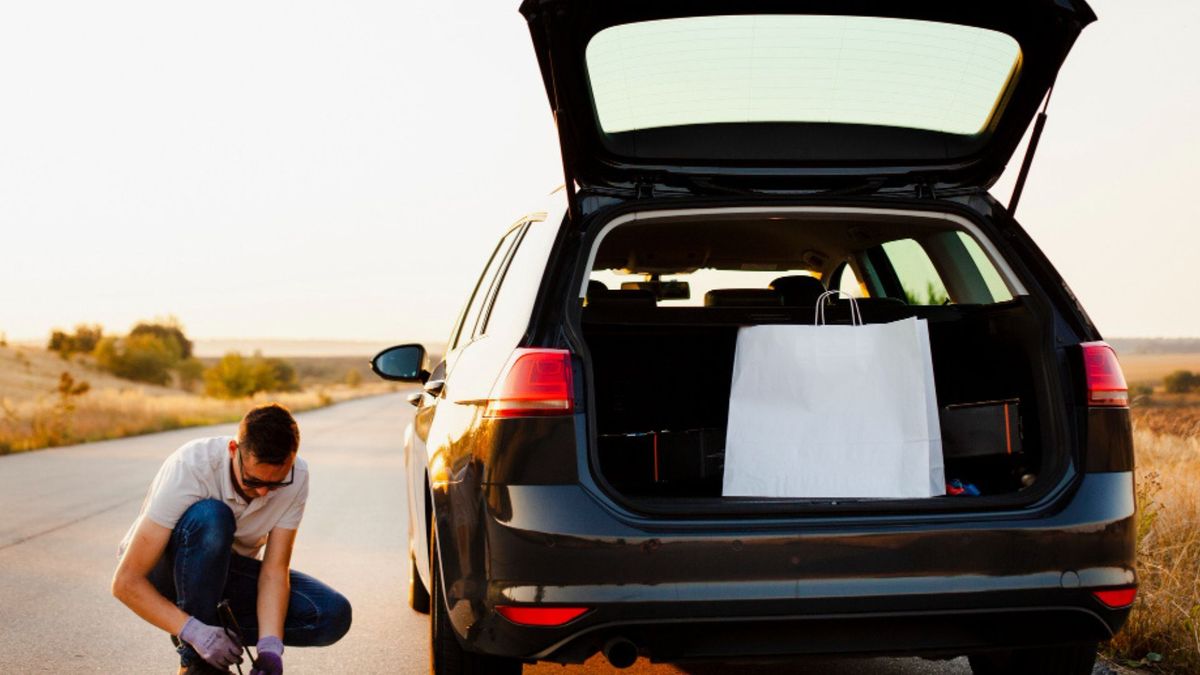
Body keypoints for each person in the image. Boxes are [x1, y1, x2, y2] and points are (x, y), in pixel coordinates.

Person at [111, 403, 351, 674]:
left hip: (226, 573)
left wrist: (270, 647)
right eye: (253, 481)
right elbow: (125, 582)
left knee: (331, 615)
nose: (263, 492)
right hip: (162, 569)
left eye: (276, 483)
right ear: (233, 450)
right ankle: (197, 661)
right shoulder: (192, 465)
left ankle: (212, 641)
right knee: (214, 518)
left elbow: (274, 571)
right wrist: (194, 632)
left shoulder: (297, 477)